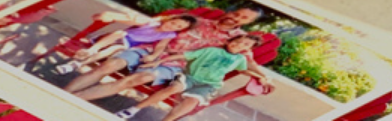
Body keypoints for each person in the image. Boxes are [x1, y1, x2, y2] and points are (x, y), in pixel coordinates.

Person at [107, 35, 275, 121]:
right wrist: (160, 61)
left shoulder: (240, 59)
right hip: (189, 76)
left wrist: (261, 77)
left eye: (245, 45)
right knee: (173, 88)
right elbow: (183, 56)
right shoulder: (211, 50)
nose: (239, 45)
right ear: (229, 41)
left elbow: (244, 71)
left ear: (248, 49)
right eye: (238, 41)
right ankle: (134, 109)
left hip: (208, 85)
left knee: (191, 102)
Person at [56, 15, 197, 91]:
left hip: (127, 44)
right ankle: (91, 50)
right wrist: (113, 16)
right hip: (115, 37)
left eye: (178, 27)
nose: (173, 27)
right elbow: (132, 19)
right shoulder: (151, 23)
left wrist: (153, 56)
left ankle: (76, 64)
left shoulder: (169, 35)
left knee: (115, 49)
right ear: (170, 19)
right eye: (173, 23)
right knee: (119, 33)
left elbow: (161, 46)